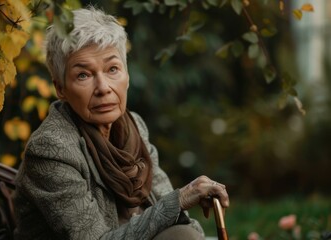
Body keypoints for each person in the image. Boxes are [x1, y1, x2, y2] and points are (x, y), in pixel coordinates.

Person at [13, 6, 229, 240]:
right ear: (60, 88)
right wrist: (180, 200)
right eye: (83, 75)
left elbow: (169, 208)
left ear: (127, 75)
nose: (103, 88)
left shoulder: (134, 127)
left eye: (112, 69)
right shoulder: (50, 148)